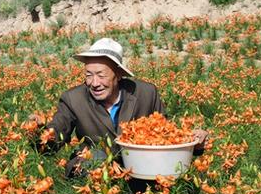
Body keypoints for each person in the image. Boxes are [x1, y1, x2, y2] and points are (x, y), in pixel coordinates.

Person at [27, 38, 208, 181]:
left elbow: (167, 135)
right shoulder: (73, 98)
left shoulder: (146, 93)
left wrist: (194, 142)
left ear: (119, 74)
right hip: (92, 169)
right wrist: (38, 131)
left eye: (101, 75)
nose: (94, 83)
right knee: (97, 157)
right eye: (88, 75)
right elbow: (55, 136)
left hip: (141, 170)